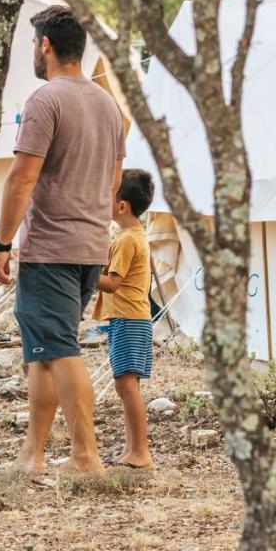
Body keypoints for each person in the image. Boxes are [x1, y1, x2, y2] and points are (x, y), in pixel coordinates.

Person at [0, 5, 125, 476]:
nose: (33, 50)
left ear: (45, 44)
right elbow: (113, 183)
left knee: (59, 347)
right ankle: (34, 455)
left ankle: (86, 455)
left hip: (51, 246)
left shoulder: (45, 100)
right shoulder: (108, 104)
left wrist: (1, 241)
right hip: (90, 246)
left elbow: (21, 178)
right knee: (43, 352)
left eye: (33, 43)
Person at [92, 169, 155, 469]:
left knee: (126, 385)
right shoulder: (131, 236)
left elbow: (113, 283)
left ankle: (140, 451)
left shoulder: (128, 240)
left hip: (129, 318)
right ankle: (132, 449)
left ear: (122, 206)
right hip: (132, 318)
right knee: (128, 385)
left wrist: (84, 273)